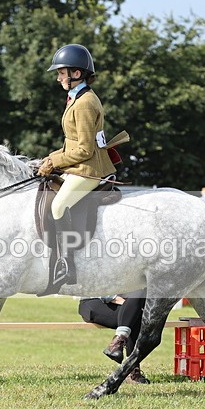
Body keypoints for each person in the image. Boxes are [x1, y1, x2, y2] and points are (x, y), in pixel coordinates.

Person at [36, 44, 126, 294]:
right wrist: (49, 158)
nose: (58, 78)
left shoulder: (85, 102)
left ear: (76, 73)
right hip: (78, 163)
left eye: (61, 72)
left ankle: (67, 264)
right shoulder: (77, 98)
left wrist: (54, 162)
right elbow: (71, 143)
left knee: (58, 206)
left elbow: (85, 150)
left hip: (88, 168)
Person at [78, 289, 150, 384]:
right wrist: (128, 305)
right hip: (94, 301)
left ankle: (120, 349)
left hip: (122, 303)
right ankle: (130, 369)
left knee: (135, 312)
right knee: (133, 315)